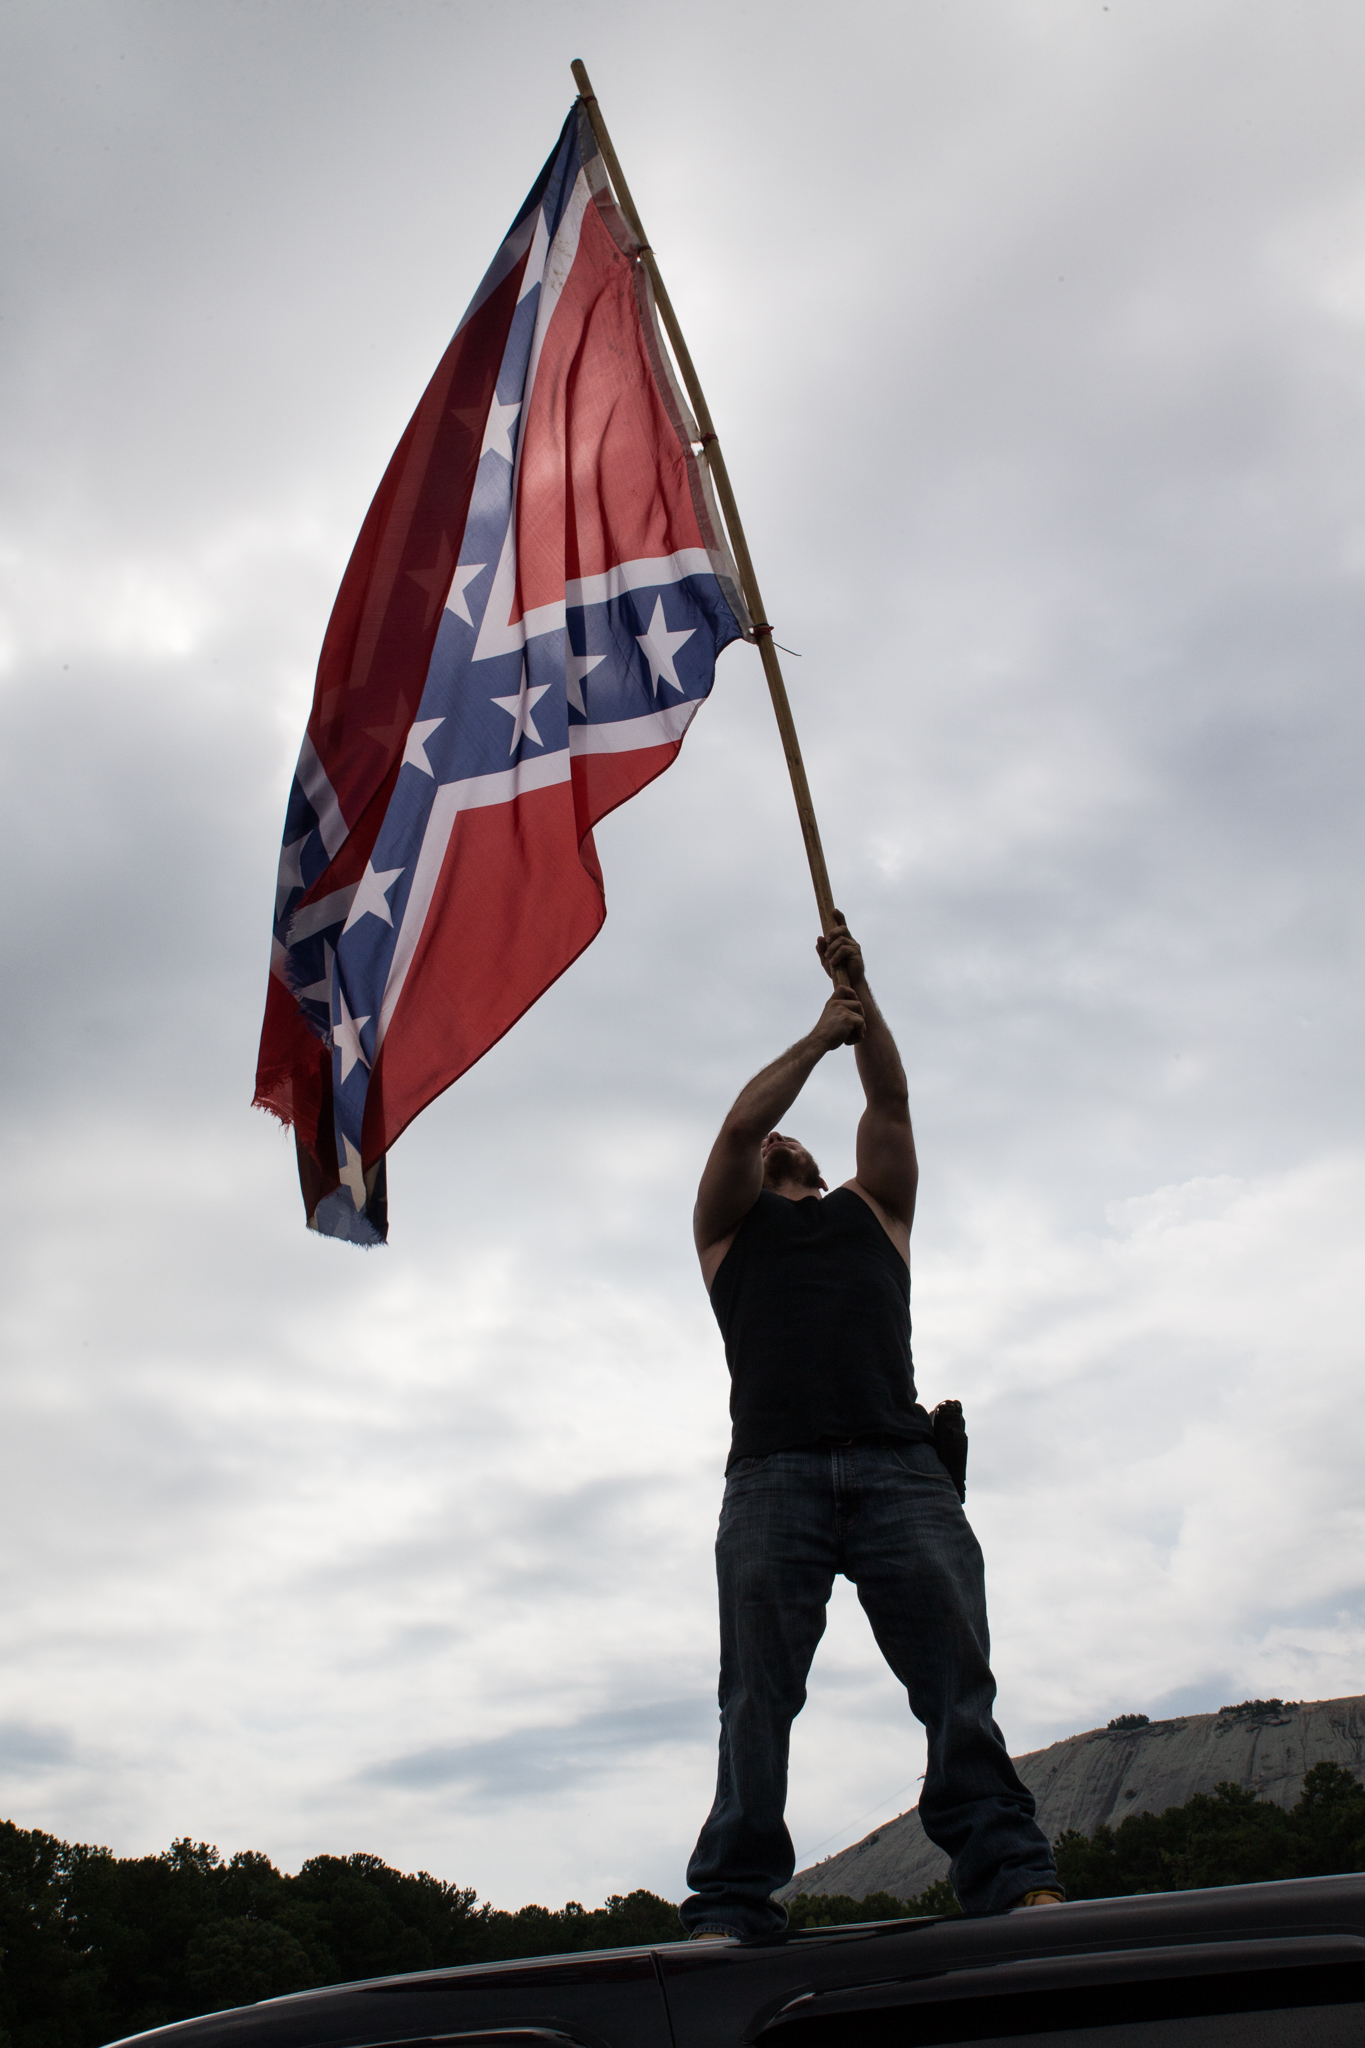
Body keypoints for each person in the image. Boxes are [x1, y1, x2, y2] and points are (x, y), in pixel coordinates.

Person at [678, 914, 1062, 1939]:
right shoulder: (726, 1229)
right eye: (769, 1137)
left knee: (956, 1681)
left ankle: (1008, 1870)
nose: (773, 1140)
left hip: (900, 1465)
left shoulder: (874, 1208)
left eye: (784, 1138)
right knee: (756, 1693)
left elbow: (888, 1099)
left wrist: (863, 999)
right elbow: (730, 1132)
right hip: (774, 1475)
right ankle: (733, 1899)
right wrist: (814, 1038)